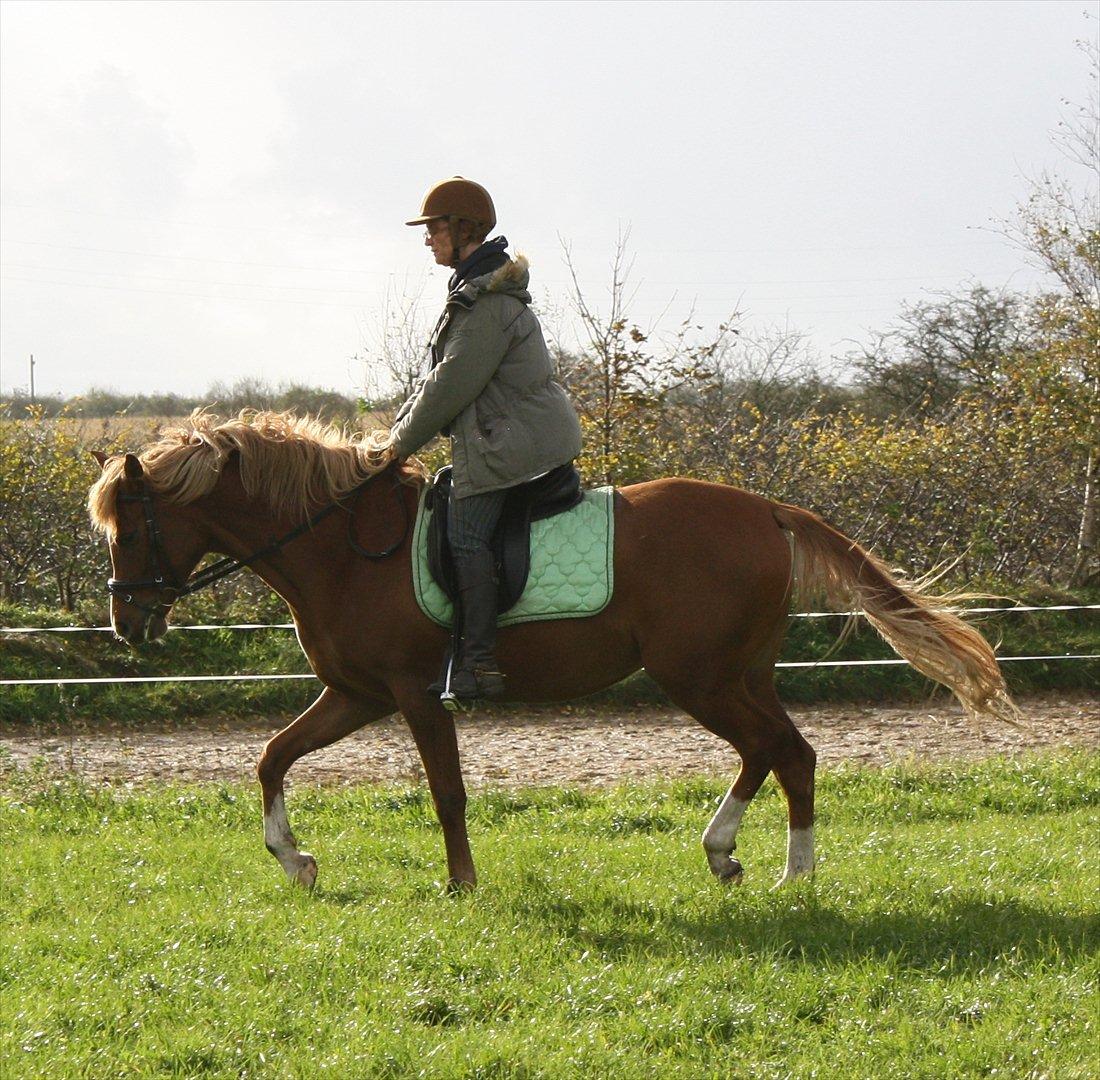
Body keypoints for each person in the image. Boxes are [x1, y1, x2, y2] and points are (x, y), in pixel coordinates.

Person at [389, 177, 582, 702]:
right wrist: (391, 440)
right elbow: (437, 382)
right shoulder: (476, 293)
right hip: (508, 438)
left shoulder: (489, 302)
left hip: (519, 448)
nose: (427, 238)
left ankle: (479, 663)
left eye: (433, 228)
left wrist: (396, 450)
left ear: (462, 229)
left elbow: (452, 386)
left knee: (466, 532)